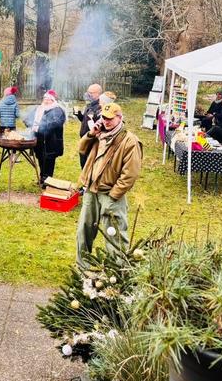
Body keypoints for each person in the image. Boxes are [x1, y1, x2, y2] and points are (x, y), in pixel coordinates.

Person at [76, 103, 143, 267]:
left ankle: (118, 271)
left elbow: (130, 174)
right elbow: (81, 149)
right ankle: (82, 268)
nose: (106, 121)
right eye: (104, 118)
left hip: (110, 194)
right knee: (84, 231)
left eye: (110, 119)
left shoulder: (130, 141)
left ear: (120, 118)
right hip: (91, 190)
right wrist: (91, 134)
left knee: (114, 235)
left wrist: (114, 195)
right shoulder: (99, 134)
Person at [25, 90, 67, 187]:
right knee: (40, 157)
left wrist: (41, 126)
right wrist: (29, 123)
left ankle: (48, 180)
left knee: (49, 160)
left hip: (52, 140)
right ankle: (42, 177)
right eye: (45, 99)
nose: (46, 101)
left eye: (49, 99)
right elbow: (28, 119)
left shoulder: (58, 110)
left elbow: (57, 123)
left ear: (53, 100)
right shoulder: (39, 109)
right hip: (39, 138)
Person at [75, 84, 103, 169]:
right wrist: (79, 115)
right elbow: (85, 120)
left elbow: (100, 125)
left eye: (91, 93)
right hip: (84, 138)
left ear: (98, 93)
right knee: (83, 163)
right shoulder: (89, 104)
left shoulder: (100, 107)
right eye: (88, 92)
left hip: (92, 140)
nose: (88, 95)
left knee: (89, 165)